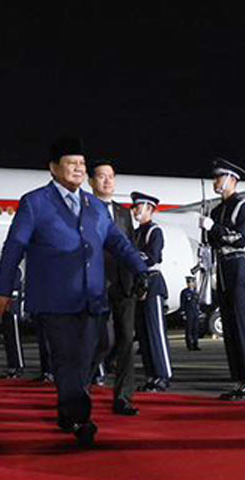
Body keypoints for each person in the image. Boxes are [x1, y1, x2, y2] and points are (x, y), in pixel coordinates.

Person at [0, 137, 149, 447]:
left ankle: (68, 405)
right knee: (67, 359)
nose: (78, 168)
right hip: (54, 299)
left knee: (100, 346)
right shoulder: (35, 202)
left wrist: (141, 270)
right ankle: (80, 418)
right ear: (53, 169)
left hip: (92, 297)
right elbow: (14, 247)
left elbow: (117, 242)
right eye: (71, 163)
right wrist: (3, 290)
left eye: (81, 163)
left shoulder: (93, 206)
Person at [202, 158, 245, 401]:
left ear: (232, 179)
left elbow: (240, 238)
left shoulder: (243, 205)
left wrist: (214, 229)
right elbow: (214, 242)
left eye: (220, 177)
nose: (216, 182)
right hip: (224, 271)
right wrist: (206, 231)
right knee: (230, 329)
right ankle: (241, 380)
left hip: (239, 268)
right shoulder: (217, 210)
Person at [90, 159, 140, 414]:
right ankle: (81, 388)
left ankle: (123, 398)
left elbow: (129, 247)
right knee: (102, 342)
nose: (107, 181)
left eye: (111, 176)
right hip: (96, 285)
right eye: (101, 176)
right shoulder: (84, 209)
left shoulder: (123, 213)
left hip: (123, 285)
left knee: (125, 342)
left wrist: (138, 275)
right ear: (91, 182)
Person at [132, 191, 173, 392]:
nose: (135, 210)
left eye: (138, 207)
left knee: (155, 332)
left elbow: (153, 257)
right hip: (140, 283)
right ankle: (151, 375)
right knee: (144, 334)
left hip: (152, 282)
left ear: (149, 209)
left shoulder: (154, 231)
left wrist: (131, 256)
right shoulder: (137, 232)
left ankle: (162, 375)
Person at [1, 263, 27, 377]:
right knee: (8, 339)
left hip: (13, 309)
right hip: (6, 308)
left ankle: (19, 366)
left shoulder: (17, 271)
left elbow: (14, 289)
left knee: (15, 339)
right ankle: (12, 366)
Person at [181, 276, 202, 350]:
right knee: (189, 329)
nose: (191, 284)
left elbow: (197, 303)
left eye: (192, 282)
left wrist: (199, 311)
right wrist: (183, 313)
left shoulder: (195, 292)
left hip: (195, 312)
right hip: (188, 313)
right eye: (189, 282)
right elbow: (183, 303)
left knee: (195, 329)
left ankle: (195, 344)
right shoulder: (185, 292)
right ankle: (189, 345)